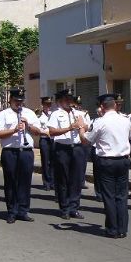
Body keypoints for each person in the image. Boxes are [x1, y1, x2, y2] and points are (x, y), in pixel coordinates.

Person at [80, 94, 131, 238]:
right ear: (115, 105)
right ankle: (122, 228)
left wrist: (81, 129)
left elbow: (86, 141)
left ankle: (112, 228)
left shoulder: (100, 122)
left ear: (102, 107)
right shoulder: (125, 120)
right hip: (122, 159)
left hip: (107, 161)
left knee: (109, 195)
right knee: (121, 195)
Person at [0, 88, 43, 223]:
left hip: (26, 151)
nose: (19, 103)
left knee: (25, 182)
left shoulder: (30, 113)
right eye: (16, 101)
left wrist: (28, 126)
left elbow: (38, 132)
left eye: (21, 101)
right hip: (10, 152)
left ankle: (23, 210)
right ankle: (11, 211)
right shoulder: (3, 114)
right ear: (10, 100)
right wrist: (13, 130)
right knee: (10, 181)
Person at [47, 90, 86, 220]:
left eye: (70, 99)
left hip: (77, 148)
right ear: (60, 101)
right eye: (66, 99)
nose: (69, 102)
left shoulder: (79, 113)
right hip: (62, 148)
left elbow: (88, 128)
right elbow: (52, 132)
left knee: (77, 179)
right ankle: (64, 208)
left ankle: (74, 208)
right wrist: (70, 127)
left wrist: (82, 126)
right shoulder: (55, 114)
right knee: (63, 179)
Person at [37, 96, 55, 191]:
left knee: (53, 161)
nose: (48, 106)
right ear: (42, 105)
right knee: (45, 161)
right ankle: (46, 182)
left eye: (50, 104)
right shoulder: (39, 115)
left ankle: (52, 182)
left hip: (53, 140)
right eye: (46, 104)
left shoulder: (53, 114)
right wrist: (44, 132)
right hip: (44, 139)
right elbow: (36, 128)